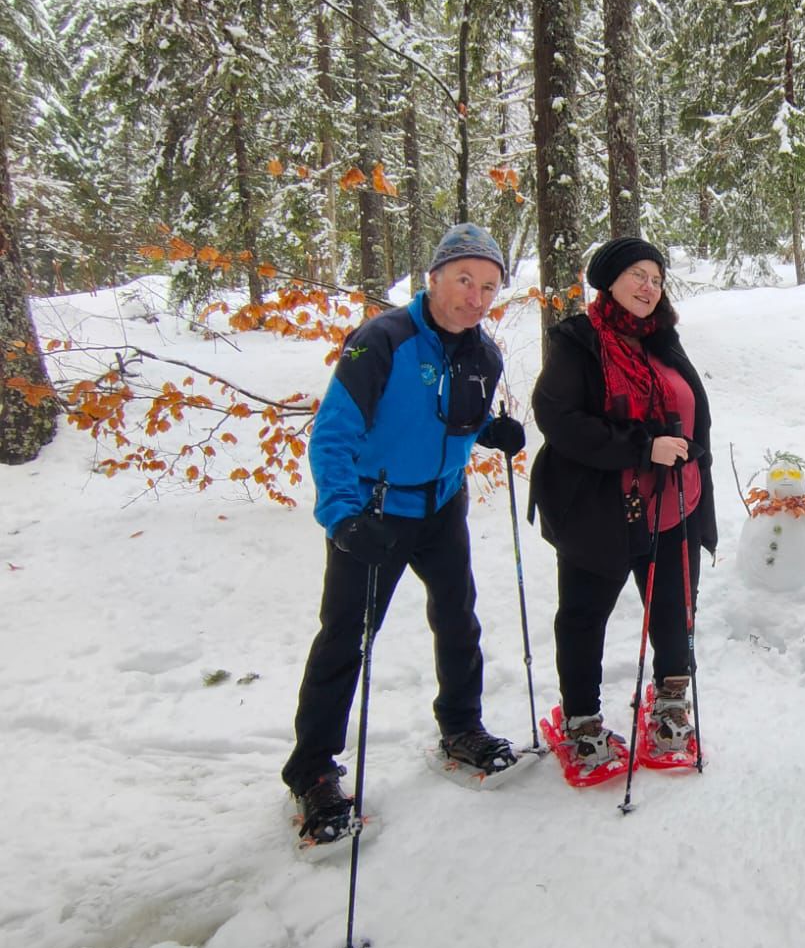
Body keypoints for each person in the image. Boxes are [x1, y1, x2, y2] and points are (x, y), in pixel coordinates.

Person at [283, 223, 528, 843]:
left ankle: (461, 726)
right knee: (346, 636)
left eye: (489, 287)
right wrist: (342, 516)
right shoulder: (382, 341)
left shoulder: (485, 354)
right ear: (435, 278)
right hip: (375, 507)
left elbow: (451, 421)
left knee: (458, 617)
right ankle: (311, 770)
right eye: (465, 280)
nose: (475, 297)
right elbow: (334, 433)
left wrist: (485, 435)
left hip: (442, 504)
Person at [529, 237, 717, 772]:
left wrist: (689, 450)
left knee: (674, 610)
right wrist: (642, 447)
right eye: (638, 274)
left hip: (675, 502)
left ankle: (672, 701)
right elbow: (559, 419)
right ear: (609, 279)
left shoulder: (662, 339)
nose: (648, 287)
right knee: (585, 615)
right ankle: (582, 719)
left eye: (657, 280)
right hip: (599, 510)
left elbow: (692, 410)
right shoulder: (579, 341)